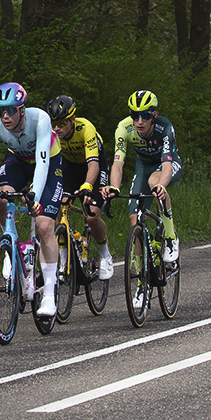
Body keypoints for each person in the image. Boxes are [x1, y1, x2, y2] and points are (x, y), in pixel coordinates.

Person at [0, 82, 64, 317]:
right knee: (1, 197)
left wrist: (35, 198)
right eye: (0, 110)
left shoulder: (40, 119)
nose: (5, 116)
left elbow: (42, 163)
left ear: (22, 109)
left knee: (44, 225)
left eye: (10, 110)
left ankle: (49, 294)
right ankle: (10, 244)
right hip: (18, 160)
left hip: (48, 162)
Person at [102, 89, 181, 264]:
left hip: (167, 163)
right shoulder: (124, 128)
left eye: (145, 116)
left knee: (154, 182)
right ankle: (139, 273)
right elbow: (118, 163)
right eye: (135, 115)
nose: (139, 121)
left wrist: (161, 186)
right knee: (134, 219)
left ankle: (170, 236)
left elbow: (167, 165)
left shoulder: (165, 127)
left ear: (154, 116)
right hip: (144, 166)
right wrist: (114, 187)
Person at [46, 94, 114, 280]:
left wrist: (87, 186)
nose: (57, 128)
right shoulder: (51, 133)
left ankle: (105, 254)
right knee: (57, 207)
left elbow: (93, 164)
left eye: (62, 123)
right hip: (70, 167)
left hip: (94, 166)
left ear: (73, 119)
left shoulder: (86, 129)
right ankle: (63, 261)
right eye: (54, 123)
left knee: (91, 216)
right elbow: (47, 163)